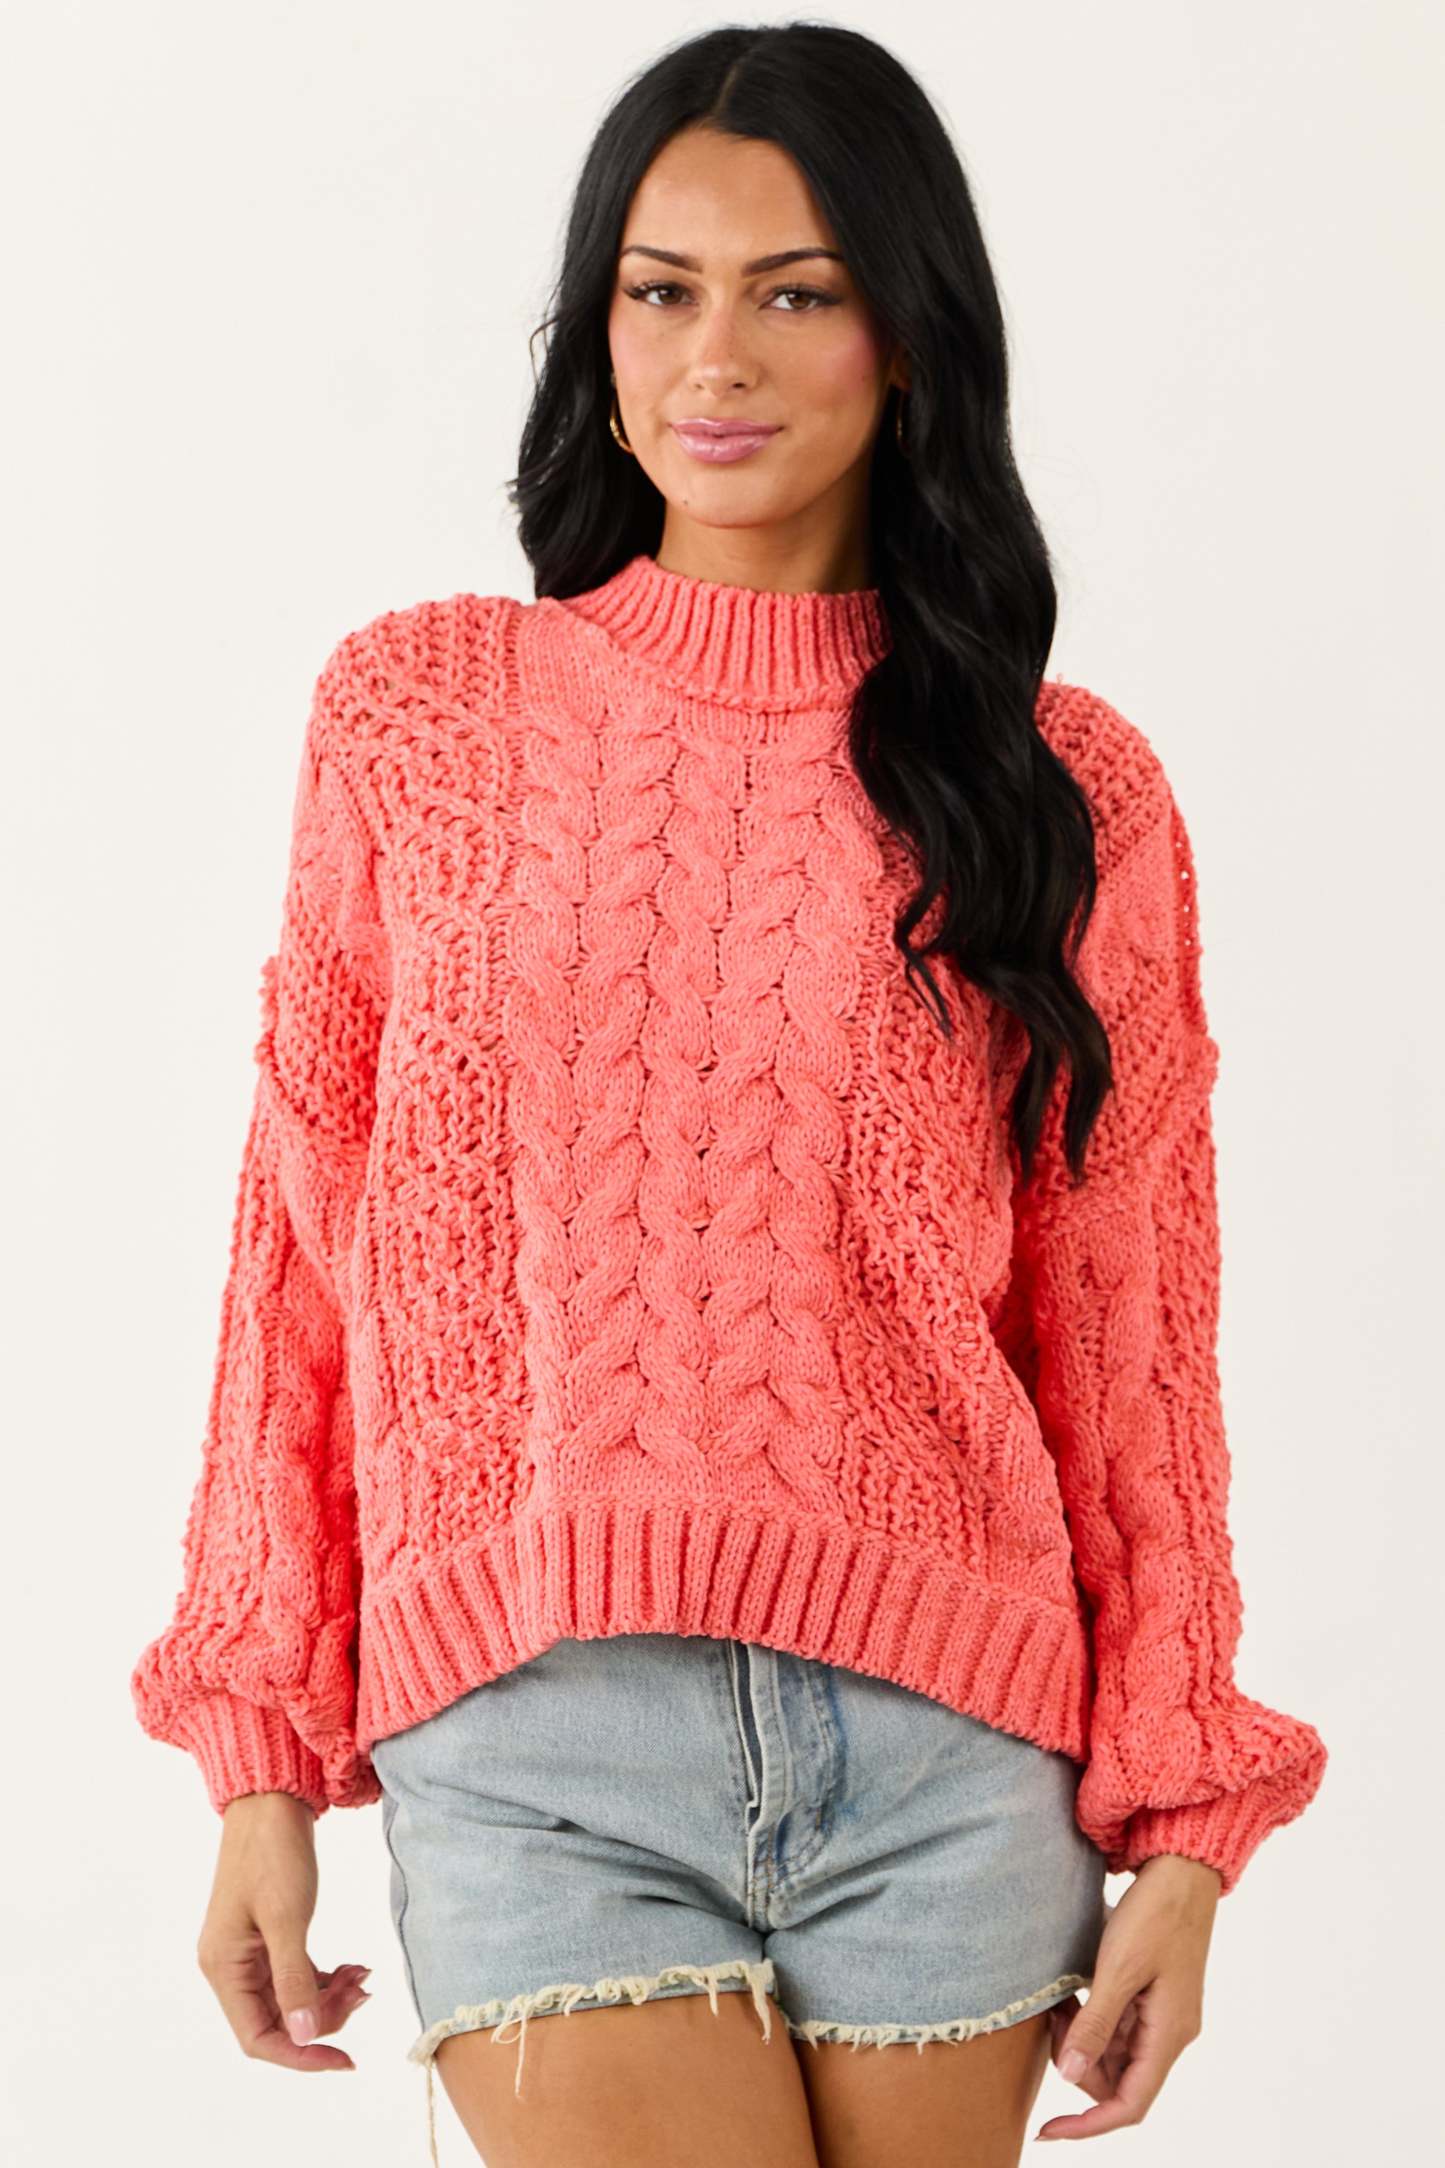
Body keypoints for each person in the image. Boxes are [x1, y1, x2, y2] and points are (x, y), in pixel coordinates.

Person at [130, 22, 1327, 2168]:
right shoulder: (422, 715)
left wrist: (1187, 1820)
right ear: (595, 336)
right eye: (660, 289)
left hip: (954, 1742)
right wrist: (257, 1753)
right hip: (537, 1736)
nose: (716, 354)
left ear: (908, 336)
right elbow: (300, 1250)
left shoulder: (1058, 787)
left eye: (795, 291)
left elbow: (1132, 1328)